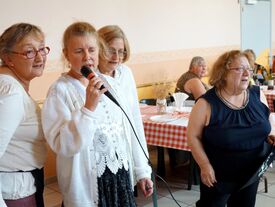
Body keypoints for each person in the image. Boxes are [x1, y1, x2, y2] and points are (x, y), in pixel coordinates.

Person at [42, 22, 153, 207]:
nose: (87, 57)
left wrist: (141, 171)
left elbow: (128, 127)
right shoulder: (59, 91)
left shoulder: (109, 82)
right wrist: (88, 109)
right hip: (89, 186)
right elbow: (63, 145)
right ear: (66, 54)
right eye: (79, 51)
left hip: (120, 178)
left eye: (91, 50)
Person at [187, 50, 275, 207]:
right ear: (224, 72)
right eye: (240, 68)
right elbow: (193, 136)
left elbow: (267, 118)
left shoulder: (257, 94)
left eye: (249, 68)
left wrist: (271, 132)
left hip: (251, 173)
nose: (247, 73)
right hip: (218, 175)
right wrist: (204, 165)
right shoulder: (206, 104)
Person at [0, 23, 49, 207]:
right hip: (14, 190)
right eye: (29, 51)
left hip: (22, 183)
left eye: (42, 49)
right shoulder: (10, 91)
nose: (39, 57)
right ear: (7, 57)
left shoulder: (11, 84)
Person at [169, 56, 209, 169]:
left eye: (205, 66)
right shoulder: (193, 80)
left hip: (187, 115)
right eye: (201, 65)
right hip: (190, 117)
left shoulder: (188, 76)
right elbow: (205, 100)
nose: (204, 68)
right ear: (192, 67)